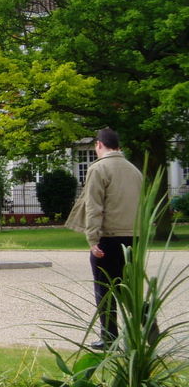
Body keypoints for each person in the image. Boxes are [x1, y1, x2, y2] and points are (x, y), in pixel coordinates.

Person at [65, 127, 142, 350]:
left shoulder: (99, 169)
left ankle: (109, 336)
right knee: (126, 286)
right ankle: (144, 317)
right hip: (132, 236)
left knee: (104, 288)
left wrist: (92, 239)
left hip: (108, 237)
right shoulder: (134, 170)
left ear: (99, 144)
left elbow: (94, 206)